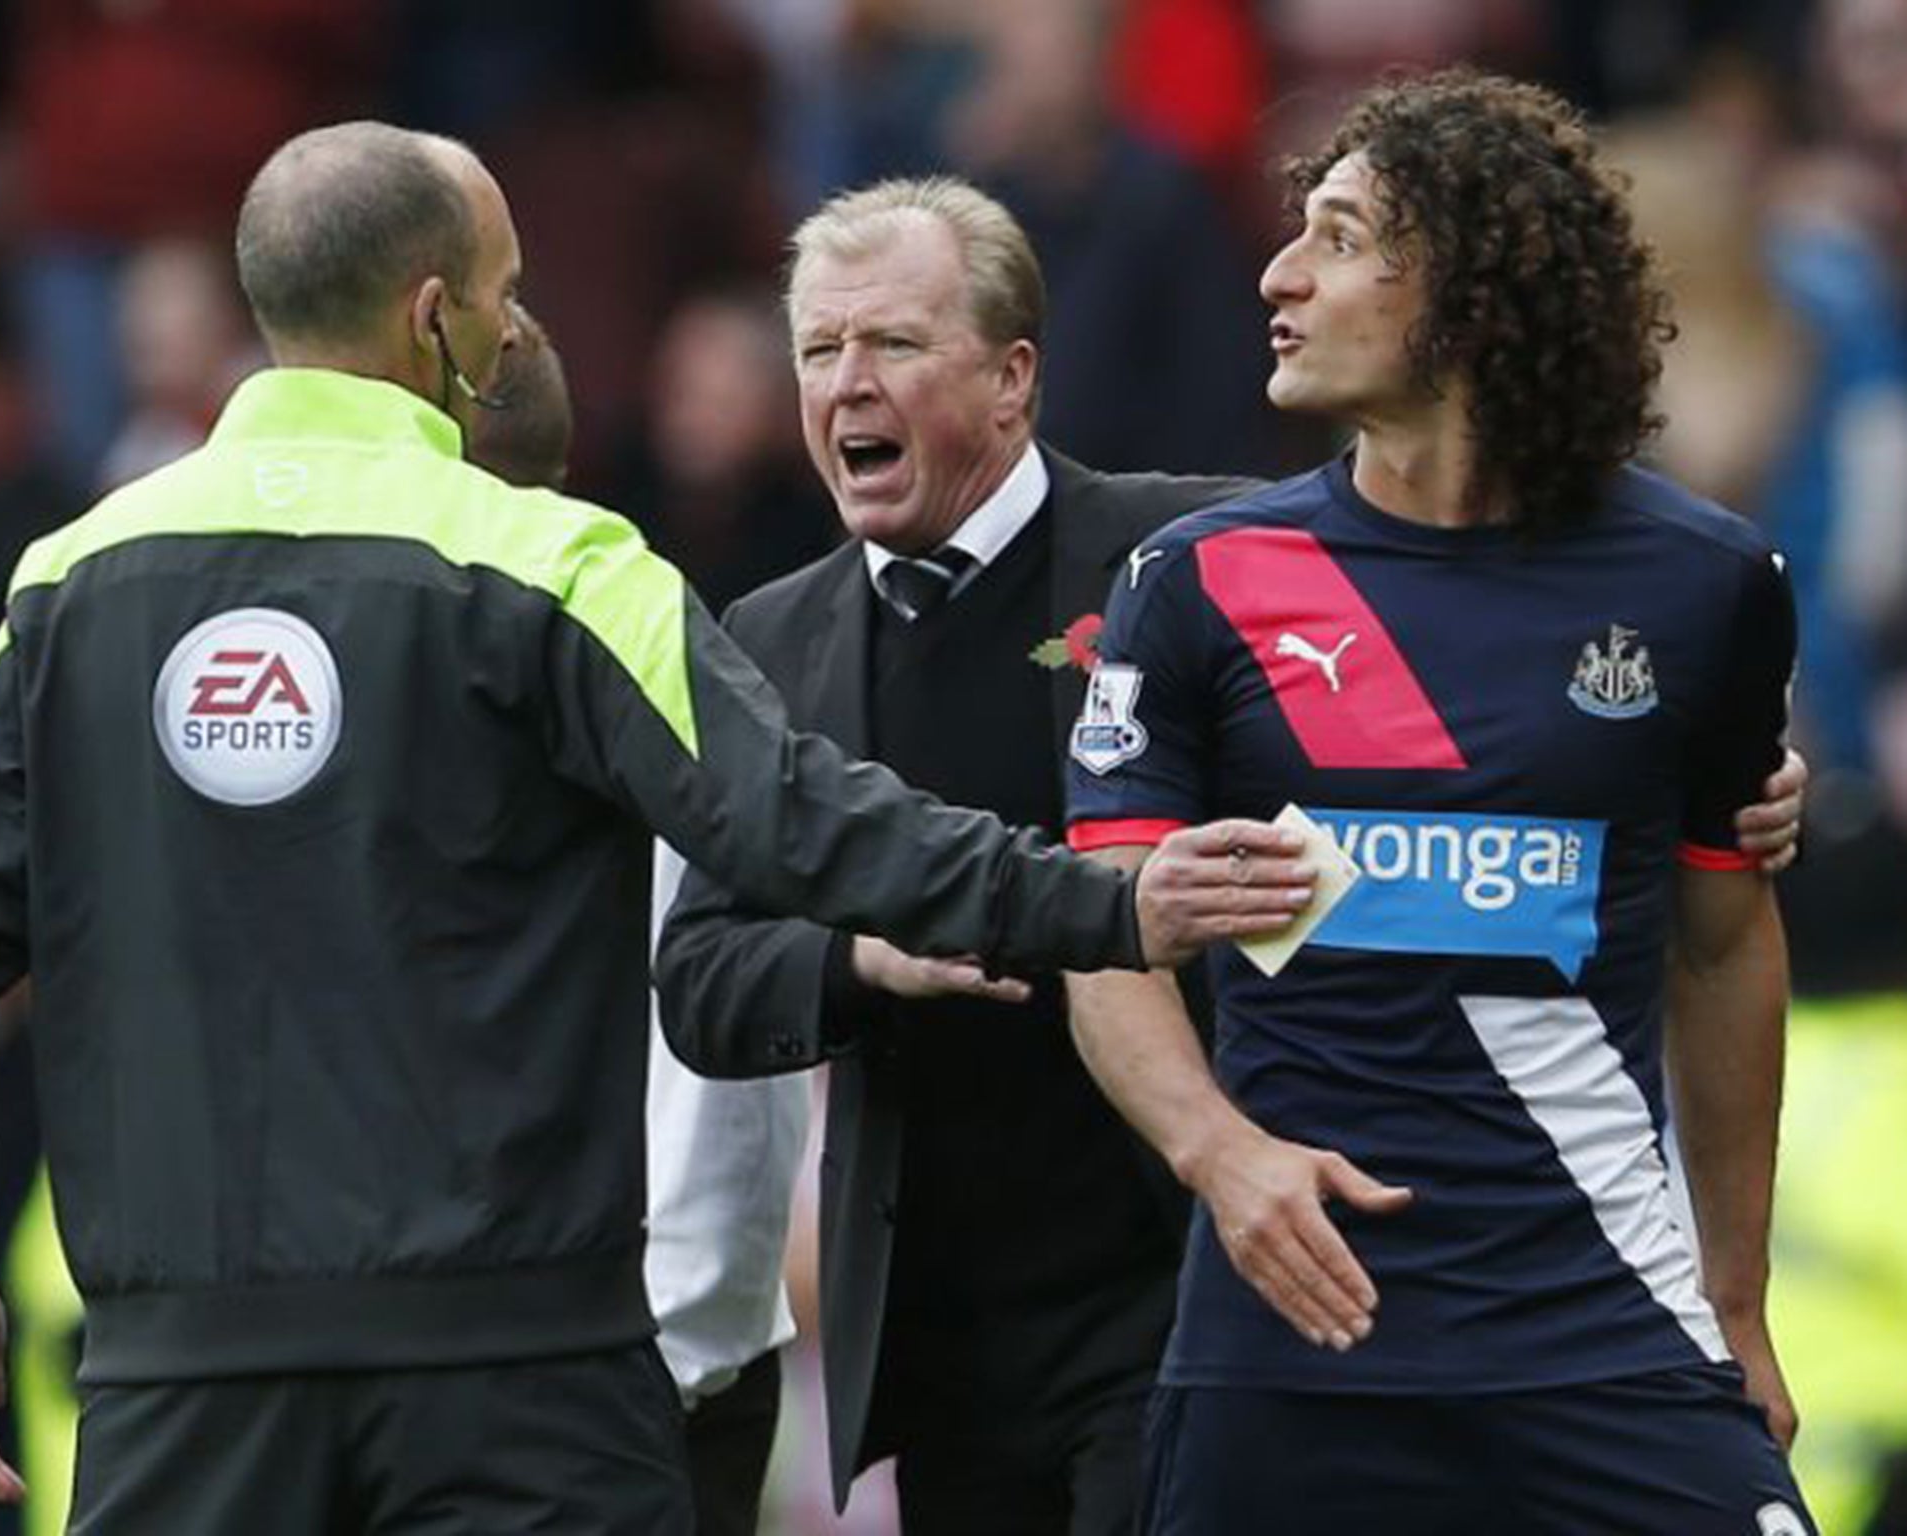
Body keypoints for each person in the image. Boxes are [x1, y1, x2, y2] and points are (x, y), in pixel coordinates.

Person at [0, 122, 1291, 1534]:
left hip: (185, 1393)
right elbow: (800, 824)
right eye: (502, 291)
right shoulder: (556, 562)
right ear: (437, 319)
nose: (516, 328)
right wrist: (1102, 903)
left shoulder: (66, 584)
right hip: (519, 1391)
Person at [653, 175, 1808, 1531]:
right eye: (817, 350)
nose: (847, 385)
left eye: (894, 345)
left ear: (1014, 377)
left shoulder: (1193, 556)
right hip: (939, 1312)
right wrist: (863, 958)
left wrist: (1703, 779)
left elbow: (1472, 684)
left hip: (1198, 1264)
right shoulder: (765, 641)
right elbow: (703, 978)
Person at [1063, 70, 1816, 1534]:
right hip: (1296, 1339)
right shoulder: (1199, 582)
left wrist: (1737, 1299)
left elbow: (1727, 946)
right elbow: (1106, 928)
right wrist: (1223, 1157)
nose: (1279, 274)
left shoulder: (1704, 584)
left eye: (1337, 238)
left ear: (1468, 292)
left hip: (1605, 1328)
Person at [468, 302, 806, 1536]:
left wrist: (666, 1354)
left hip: (624, 1383)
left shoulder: (635, 651)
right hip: (491, 1375)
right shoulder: (397, 701)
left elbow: (718, 1044)